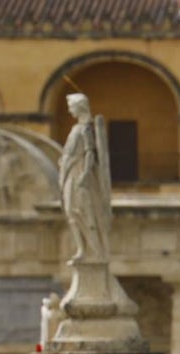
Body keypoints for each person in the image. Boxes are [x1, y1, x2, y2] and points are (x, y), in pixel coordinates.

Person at [59, 93, 111, 263]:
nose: (69, 110)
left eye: (71, 106)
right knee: (70, 211)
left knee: (82, 211)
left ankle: (94, 249)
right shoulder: (75, 129)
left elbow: (90, 152)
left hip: (78, 172)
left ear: (79, 106)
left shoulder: (86, 128)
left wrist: (85, 174)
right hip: (69, 171)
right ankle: (81, 248)